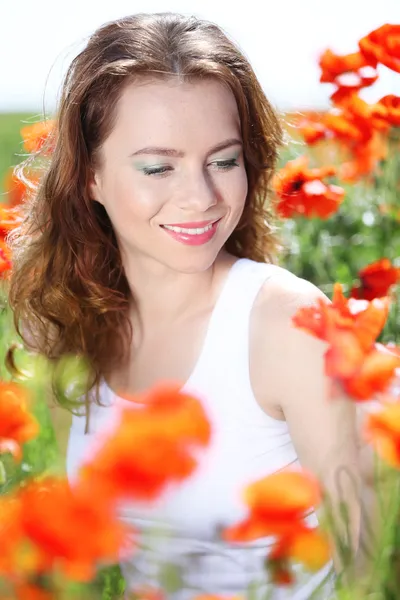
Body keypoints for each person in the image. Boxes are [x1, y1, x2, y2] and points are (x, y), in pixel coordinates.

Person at [8, 12, 364, 599]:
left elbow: (369, 571)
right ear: (90, 176)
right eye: (157, 167)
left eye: (223, 161)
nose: (199, 197)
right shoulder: (75, 329)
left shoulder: (286, 324)